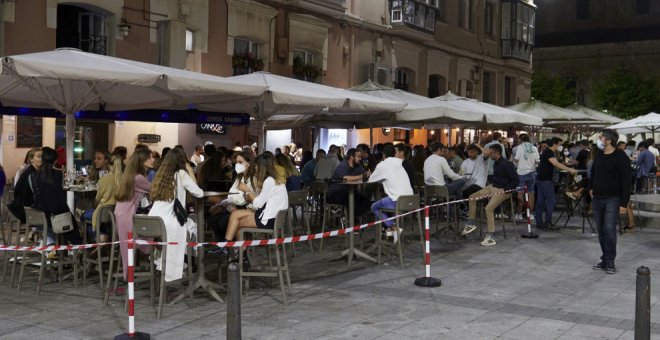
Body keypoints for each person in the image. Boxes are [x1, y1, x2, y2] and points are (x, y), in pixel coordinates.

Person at [222, 154, 289, 266]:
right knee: (236, 214)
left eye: (257, 166)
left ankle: (239, 255)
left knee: (238, 223)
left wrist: (247, 190)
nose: (256, 169)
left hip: (268, 219)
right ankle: (229, 248)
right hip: (273, 217)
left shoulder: (269, 181)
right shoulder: (276, 179)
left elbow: (257, 204)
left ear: (262, 167)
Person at [148, 148, 203, 282]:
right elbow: (199, 193)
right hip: (169, 224)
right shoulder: (181, 174)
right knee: (194, 226)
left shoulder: (161, 175)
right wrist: (189, 169)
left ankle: (165, 265)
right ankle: (192, 264)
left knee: (189, 226)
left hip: (152, 222)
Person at [590, 129, 632, 274]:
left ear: (608, 140)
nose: (599, 139)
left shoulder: (620, 156)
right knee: (601, 231)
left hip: (612, 199)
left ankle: (610, 261)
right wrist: (591, 187)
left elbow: (627, 181)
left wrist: (623, 203)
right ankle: (605, 258)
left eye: (601, 137)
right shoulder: (599, 154)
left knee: (609, 230)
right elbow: (594, 172)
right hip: (597, 197)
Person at [461, 144, 518, 246]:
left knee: (488, 208)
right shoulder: (495, 162)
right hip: (493, 186)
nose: (489, 155)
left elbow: (516, 180)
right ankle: (471, 222)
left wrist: (505, 190)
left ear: (497, 153)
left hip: (503, 190)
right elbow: (485, 153)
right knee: (472, 197)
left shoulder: (507, 164)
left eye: (491, 153)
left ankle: (490, 236)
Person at [114, 147, 154, 279]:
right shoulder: (138, 178)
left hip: (122, 213)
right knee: (153, 236)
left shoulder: (131, 175)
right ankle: (154, 267)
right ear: (143, 160)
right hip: (127, 216)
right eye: (150, 157)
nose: (153, 160)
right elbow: (156, 190)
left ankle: (133, 273)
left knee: (130, 247)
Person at [31, 147, 83, 245]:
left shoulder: (34, 175)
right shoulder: (59, 174)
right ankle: (77, 247)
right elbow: (60, 193)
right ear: (55, 160)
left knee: (65, 216)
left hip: (39, 213)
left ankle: (52, 244)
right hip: (56, 215)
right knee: (72, 222)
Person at [207, 151, 255, 254]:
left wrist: (244, 194)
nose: (237, 165)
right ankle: (224, 249)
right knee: (212, 219)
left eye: (240, 162)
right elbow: (231, 196)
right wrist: (227, 205)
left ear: (249, 163)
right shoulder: (239, 177)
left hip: (248, 210)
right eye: (236, 162)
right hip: (235, 208)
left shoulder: (254, 178)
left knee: (223, 221)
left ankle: (234, 251)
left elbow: (249, 199)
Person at [369, 145, 414, 243]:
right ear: (395, 154)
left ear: (383, 155)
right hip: (411, 200)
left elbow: (371, 180)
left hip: (397, 201)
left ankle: (393, 228)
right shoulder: (400, 164)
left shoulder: (383, 165)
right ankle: (389, 232)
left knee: (374, 207)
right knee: (385, 201)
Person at [535, 137, 577, 229]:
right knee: (551, 200)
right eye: (559, 144)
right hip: (545, 180)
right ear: (554, 144)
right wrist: (569, 169)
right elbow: (555, 164)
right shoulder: (549, 152)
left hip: (541, 179)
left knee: (541, 201)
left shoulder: (548, 152)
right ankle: (548, 222)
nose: (560, 146)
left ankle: (539, 222)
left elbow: (556, 163)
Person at [86, 155, 123, 243]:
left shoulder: (104, 179)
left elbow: (97, 198)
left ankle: (100, 237)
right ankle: (103, 237)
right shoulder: (123, 179)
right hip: (115, 212)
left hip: (102, 211)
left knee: (84, 215)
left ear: (108, 165)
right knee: (101, 220)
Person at [326, 148, 370, 216]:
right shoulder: (343, 165)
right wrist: (362, 176)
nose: (360, 159)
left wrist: (367, 174)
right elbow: (345, 178)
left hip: (348, 192)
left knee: (365, 201)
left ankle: (355, 221)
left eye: (360, 157)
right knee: (353, 203)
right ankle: (350, 222)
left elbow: (364, 173)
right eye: (358, 156)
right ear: (352, 157)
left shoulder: (357, 166)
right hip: (335, 194)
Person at [9, 148, 42, 223]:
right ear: (31, 159)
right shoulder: (31, 173)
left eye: (42, 157)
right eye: (39, 156)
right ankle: (45, 232)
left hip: (22, 206)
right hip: (24, 210)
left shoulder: (32, 171)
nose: (41, 159)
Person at [513, 134, 539, 220]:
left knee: (520, 194)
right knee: (531, 194)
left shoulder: (520, 147)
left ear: (521, 140)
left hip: (521, 173)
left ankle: (519, 214)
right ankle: (531, 214)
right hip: (532, 173)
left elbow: (516, 160)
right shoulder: (534, 148)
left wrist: (514, 163)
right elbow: (537, 161)